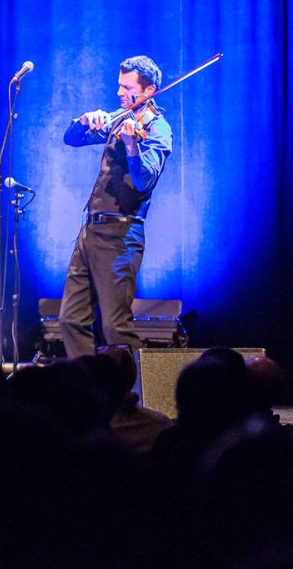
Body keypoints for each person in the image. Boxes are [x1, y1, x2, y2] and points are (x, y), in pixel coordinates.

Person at [59, 55, 172, 359]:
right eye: (119, 85)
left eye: (127, 87)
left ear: (148, 92)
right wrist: (84, 120)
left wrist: (133, 146)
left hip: (121, 235)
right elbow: (72, 139)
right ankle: (88, 391)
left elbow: (144, 181)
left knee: (114, 327)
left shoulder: (158, 129)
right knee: (70, 319)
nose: (119, 92)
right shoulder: (120, 118)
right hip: (91, 231)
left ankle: (133, 396)